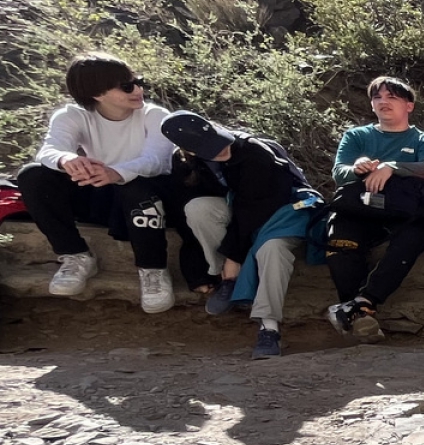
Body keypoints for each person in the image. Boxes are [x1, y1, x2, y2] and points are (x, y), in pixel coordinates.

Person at [17, 52, 183, 312]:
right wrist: (68, 160)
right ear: (97, 94)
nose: (138, 90)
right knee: (33, 175)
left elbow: (157, 162)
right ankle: (76, 256)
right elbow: (49, 150)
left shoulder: (155, 115)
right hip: (102, 195)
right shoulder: (72, 115)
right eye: (127, 86)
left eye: (138, 81)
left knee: (135, 186)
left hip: (149, 199)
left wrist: (115, 172)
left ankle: (153, 270)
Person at [163, 112, 317, 359]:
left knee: (272, 249)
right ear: (190, 152)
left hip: (281, 212)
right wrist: (197, 270)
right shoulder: (184, 163)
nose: (222, 149)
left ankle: (268, 327)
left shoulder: (254, 152)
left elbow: (255, 211)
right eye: (210, 149)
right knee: (197, 209)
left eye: (219, 139)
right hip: (239, 209)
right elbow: (183, 209)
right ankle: (225, 279)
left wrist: (235, 256)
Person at [324, 77, 424, 342]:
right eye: (378, 97)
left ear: (409, 105)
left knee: (418, 234)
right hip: (361, 209)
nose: (384, 102)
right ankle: (359, 314)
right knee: (340, 239)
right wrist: (358, 167)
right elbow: (339, 174)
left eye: (392, 97)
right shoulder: (356, 136)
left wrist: (391, 166)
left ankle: (364, 302)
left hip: (408, 212)